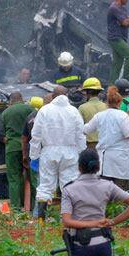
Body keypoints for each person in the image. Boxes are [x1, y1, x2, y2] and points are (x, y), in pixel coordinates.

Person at [54, 149, 129, 256]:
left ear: (79, 167)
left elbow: (67, 221)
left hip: (81, 246)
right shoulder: (108, 185)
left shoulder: (69, 189)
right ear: (98, 166)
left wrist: (91, 224)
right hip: (103, 244)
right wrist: (113, 221)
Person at [30, 86, 86, 221]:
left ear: (53, 96)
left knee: (45, 185)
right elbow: (80, 135)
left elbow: (36, 135)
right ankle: (68, 219)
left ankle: (41, 220)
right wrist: (81, 153)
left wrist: (34, 155)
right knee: (69, 185)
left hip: (48, 152)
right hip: (70, 152)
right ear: (66, 95)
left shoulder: (44, 110)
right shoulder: (74, 111)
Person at [83, 86, 129, 190]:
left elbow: (85, 130)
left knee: (104, 190)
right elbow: (128, 135)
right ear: (119, 103)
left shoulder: (99, 116)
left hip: (104, 158)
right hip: (120, 158)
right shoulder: (123, 116)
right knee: (119, 191)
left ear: (107, 102)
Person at [1, 92, 37, 210]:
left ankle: (16, 209)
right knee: (33, 179)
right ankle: (35, 208)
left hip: (12, 148)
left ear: (11, 100)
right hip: (29, 148)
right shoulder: (30, 109)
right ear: (22, 99)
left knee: (14, 179)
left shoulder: (5, 113)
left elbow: (3, 132)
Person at [22, 95, 47, 214]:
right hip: (47, 151)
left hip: (34, 153)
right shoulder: (47, 115)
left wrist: (25, 155)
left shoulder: (29, 117)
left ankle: (36, 212)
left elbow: (25, 138)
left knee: (37, 182)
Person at [107, 0, 129, 83]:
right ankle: (127, 82)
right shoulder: (114, 8)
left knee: (117, 63)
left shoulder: (123, 8)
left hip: (122, 37)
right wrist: (127, 21)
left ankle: (111, 84)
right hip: (115, 37)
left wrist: (127, 22)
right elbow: (126, 22)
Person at [79, 78, 108, 150]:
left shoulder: (82, 108)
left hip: (89, 145)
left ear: (87, 92)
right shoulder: (106, 106)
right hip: (104, 143)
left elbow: (79, 128)